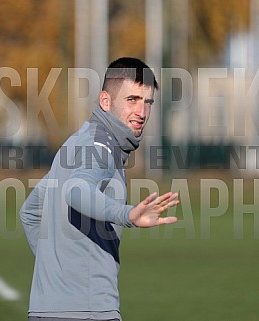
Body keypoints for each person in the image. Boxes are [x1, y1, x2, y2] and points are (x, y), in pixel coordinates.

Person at [20, 57, 180, 321]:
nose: (142, 111)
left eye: (147, 102)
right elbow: (77, 191)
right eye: (132, 100)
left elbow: (30, 213)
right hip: (89, 311)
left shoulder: (75, 144)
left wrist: (59, 276)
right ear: (105, 101)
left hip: (46, 309)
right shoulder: (100, 146)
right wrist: (127, 214)